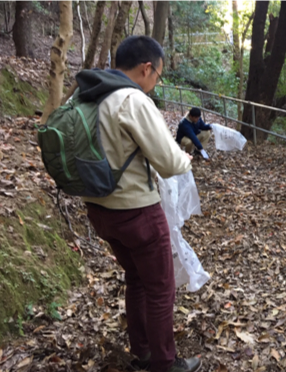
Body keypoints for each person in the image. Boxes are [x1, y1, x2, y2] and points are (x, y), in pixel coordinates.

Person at [78, 36, 202, 372]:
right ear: (147, 67)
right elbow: (169, 162)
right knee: (161, 288)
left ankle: (143, 351)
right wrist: (188, 157)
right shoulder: (130, 99)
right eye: (158, 75)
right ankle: (164, 363)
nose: (155, 82)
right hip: (137, 211)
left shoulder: (90, 94)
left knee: (135, 279)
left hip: (98, 210)